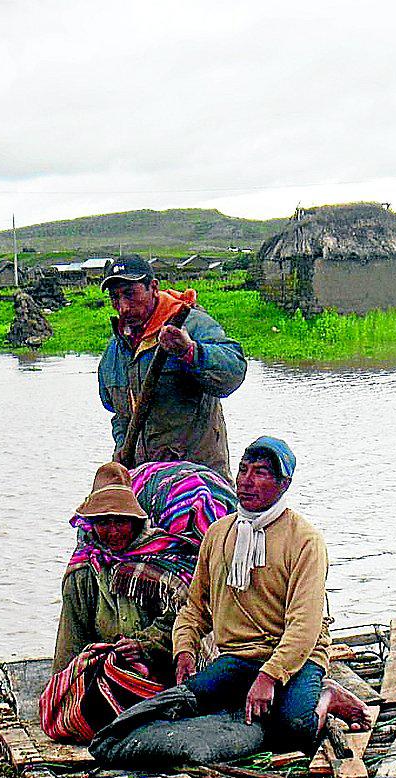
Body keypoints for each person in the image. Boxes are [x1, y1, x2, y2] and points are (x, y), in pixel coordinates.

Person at [171, 437, 333, 751]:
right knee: (185, 707)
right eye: (243, 470)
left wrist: (269, 676)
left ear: (283, 484)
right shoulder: (219, 533)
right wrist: (185, 649)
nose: (246, 481)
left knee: (292, 731)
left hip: (297, 657)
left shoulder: (305, 540)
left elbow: (305, 626)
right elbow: (195, 607)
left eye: (259, 473)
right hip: (240, 656)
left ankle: (328, 697)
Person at [42, 462, 202, 742]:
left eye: (120, 521)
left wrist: (143, 645)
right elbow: (72, 638)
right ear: (92, 526)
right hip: (111, 669)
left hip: (161, 667)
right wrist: (62, 689)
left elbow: (185, 620)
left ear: (136, 521)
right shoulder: (84, 572)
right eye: (104, 522)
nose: (113, 531)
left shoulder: (165, 559)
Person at [97, 254, 247, 479]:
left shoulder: (192, 324)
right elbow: (119, 413)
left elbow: (234, 371)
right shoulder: (114, 351)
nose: (123, 307)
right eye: (115, 298)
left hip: (199, 483)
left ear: (153, 287)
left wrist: (190, 352)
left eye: (130, 294)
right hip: (143, 483)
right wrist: (121, 446)